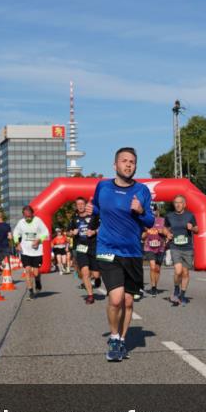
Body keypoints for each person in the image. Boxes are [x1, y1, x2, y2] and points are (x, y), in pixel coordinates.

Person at [88, 147, 154, 362]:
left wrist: (141, 212)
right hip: (107, 249)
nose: (128, 165)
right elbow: (97, 208)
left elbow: (150, 222)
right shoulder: (103, 187)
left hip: (132, 252)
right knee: (115, 299)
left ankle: (122, 340)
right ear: (115, 165)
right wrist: (92, 213)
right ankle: (114, 337)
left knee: (127, 302)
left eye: (132, 162)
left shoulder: (142, 191)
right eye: (124, 161)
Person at [165, 194, 198, 306]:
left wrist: (192, 228)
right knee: (178, 270)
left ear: (184, 204)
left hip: (187, 247)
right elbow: (165, 228)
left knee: (185, 272)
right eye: (176, 203)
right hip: (175, 246)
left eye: (180, 202)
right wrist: (167, 233)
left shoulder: (190, 216)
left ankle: (182, 295)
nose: (178, 205)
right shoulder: (169, 216)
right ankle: (176, 289)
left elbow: (197, 229)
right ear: (174, 204)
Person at [69, 196, 101, 303]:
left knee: (96, 274)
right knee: (85, 273)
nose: (80, 206)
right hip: (81, 248)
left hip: (93, 247)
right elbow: (68, 231)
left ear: (86, 205)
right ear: (76, 206)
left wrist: (94, 232)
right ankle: (90, 296)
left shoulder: (93, 216)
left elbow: (102, 227)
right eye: (78, 204)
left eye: (82, 204)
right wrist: (72, 233)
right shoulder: (74, 218)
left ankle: (97, 279)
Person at [12, 205, 49, 298]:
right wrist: (17, 244)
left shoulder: (38, 221)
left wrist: (38, 240)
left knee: (36, 273)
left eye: (29, 215)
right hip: (25, 251)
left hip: (37, 251)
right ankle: (31, 290)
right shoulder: (21, 223)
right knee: (27, 270)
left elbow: (46, 233)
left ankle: (37, 281)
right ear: (23, 215)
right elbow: (15, 233)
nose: (28, 217)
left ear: (33, 214)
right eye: (26, 216)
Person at [142, 205, 169, 296]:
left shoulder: (162, 220)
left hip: (160, 247)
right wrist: (146, 233)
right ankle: (153, 287)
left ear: (158, 211)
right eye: (151, 211)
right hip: (149, 247)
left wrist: (163, 232)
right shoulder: (145, 221)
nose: (153, 212)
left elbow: (167, 232)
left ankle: (155, 286)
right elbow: (142, 236)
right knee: (152, 266)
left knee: (157, 269)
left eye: (155, 210)